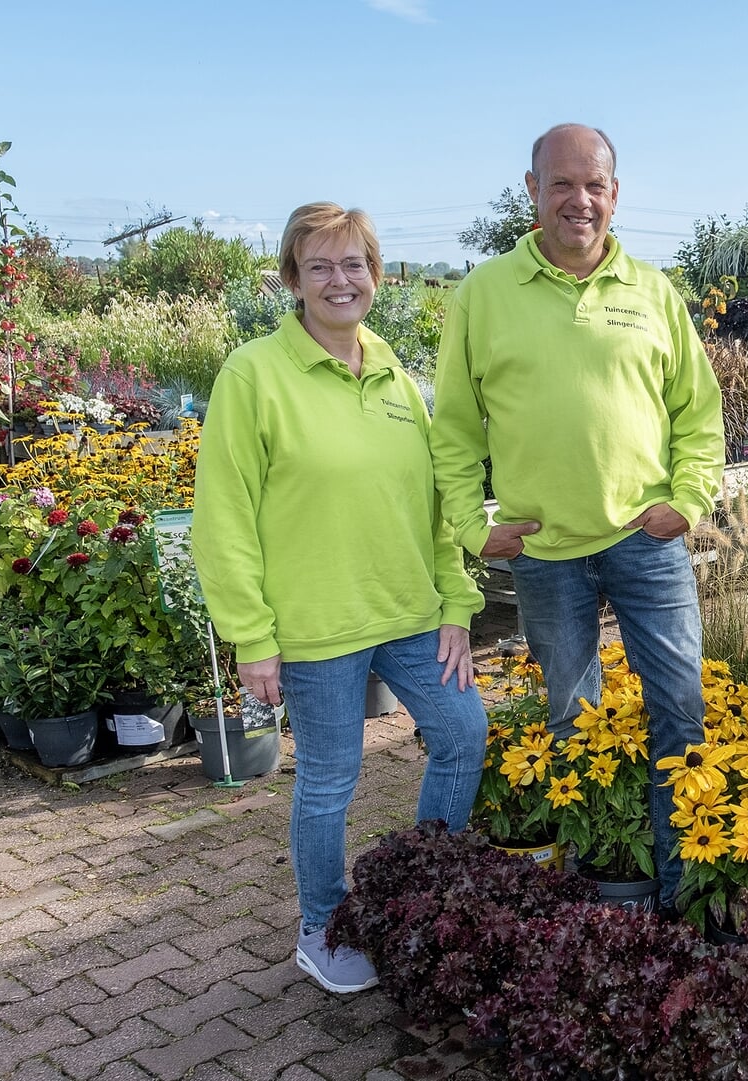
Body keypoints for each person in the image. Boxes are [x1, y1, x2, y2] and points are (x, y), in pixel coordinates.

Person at [192, 203, 488, 994]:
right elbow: (222, 516)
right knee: (330, 780)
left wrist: (456, 604)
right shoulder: (254, 374)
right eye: (318, 265)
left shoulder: (395, 374)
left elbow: (431, 508)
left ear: (376, 276)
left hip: (411, 612)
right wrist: (250, 635)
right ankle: (321, 927)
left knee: (462, 732)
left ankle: (419, 893)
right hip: (318, 625)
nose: (338, 280)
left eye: (353, 263)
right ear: (292, 279)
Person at [430, 124, 724, 912]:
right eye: (561, 184)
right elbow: (454, 431)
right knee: (573, 719)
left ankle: (679, 895)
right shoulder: (484, 294)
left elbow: (699, 414)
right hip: (544, 552)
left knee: (680, 710)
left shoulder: (653, 292)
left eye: (594, 185)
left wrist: (686, 502)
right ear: (532, 190)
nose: (579, 200)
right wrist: (471, 525)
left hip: (645, 540)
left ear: (615, 194)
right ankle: (594, 893)